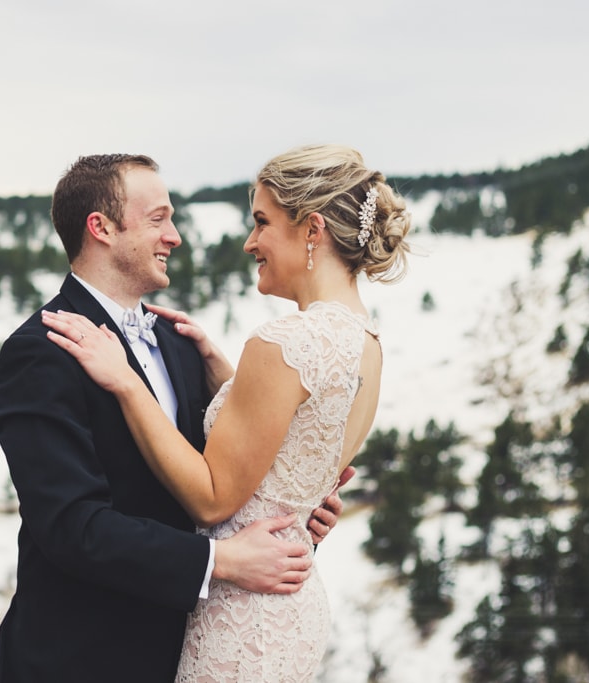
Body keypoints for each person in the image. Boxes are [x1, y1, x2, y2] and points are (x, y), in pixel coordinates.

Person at [42, 144, 412, 681]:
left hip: (244, 615)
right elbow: (295, 454)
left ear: (313, 230)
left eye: (262, 222)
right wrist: (228, 384)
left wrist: (126, 380)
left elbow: (214, 498)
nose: (250, 242)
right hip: (294, 608)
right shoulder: (366, 343)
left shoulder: (283, 342)